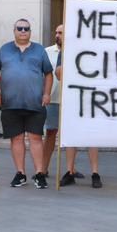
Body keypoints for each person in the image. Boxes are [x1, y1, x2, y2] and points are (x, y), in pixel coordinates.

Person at [0, 19, 53, 189]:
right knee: (16, 138)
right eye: (19, 28)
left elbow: (48, 73)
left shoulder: (39, 50)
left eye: (26, 28)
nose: (23, 31)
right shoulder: (4, 50)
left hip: (35, 103)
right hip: (10, 103)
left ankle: (40, 173)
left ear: (30, 31)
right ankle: (20, 173)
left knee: (35, 138)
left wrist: (47, 93)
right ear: (14, 30)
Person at [56, 46, 103, 189]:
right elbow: (58, 74)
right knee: (70, 136)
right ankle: (69, 171)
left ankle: (95, 173)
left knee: (92, 136)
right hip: (73, 97)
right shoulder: (66, 49)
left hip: (92, 98)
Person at [43, 25, 76, 178]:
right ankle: (43, 168)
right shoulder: (47, 52)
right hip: (53, 99)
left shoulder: (75, 51)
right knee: (50, 133)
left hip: (71, 100)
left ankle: (70, 169)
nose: (57, 35)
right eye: (56, 32)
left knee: (71, 135)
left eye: (61, 33)